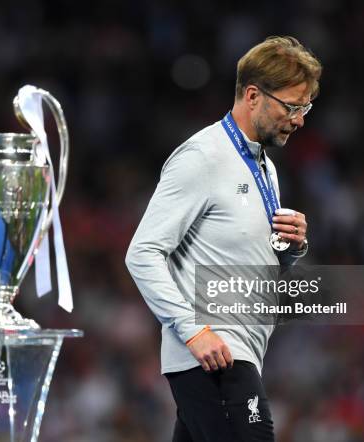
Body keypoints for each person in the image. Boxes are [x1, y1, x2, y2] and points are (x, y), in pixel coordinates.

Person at [125, 36, 322, 441]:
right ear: (253, 95)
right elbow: (142, 253)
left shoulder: (265, 167)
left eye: (306, 107)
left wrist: (291, 249)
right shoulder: (202, 157)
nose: (300, 119)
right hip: (214, 355)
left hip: (241, 350)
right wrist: (194, 331)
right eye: (292, 106)